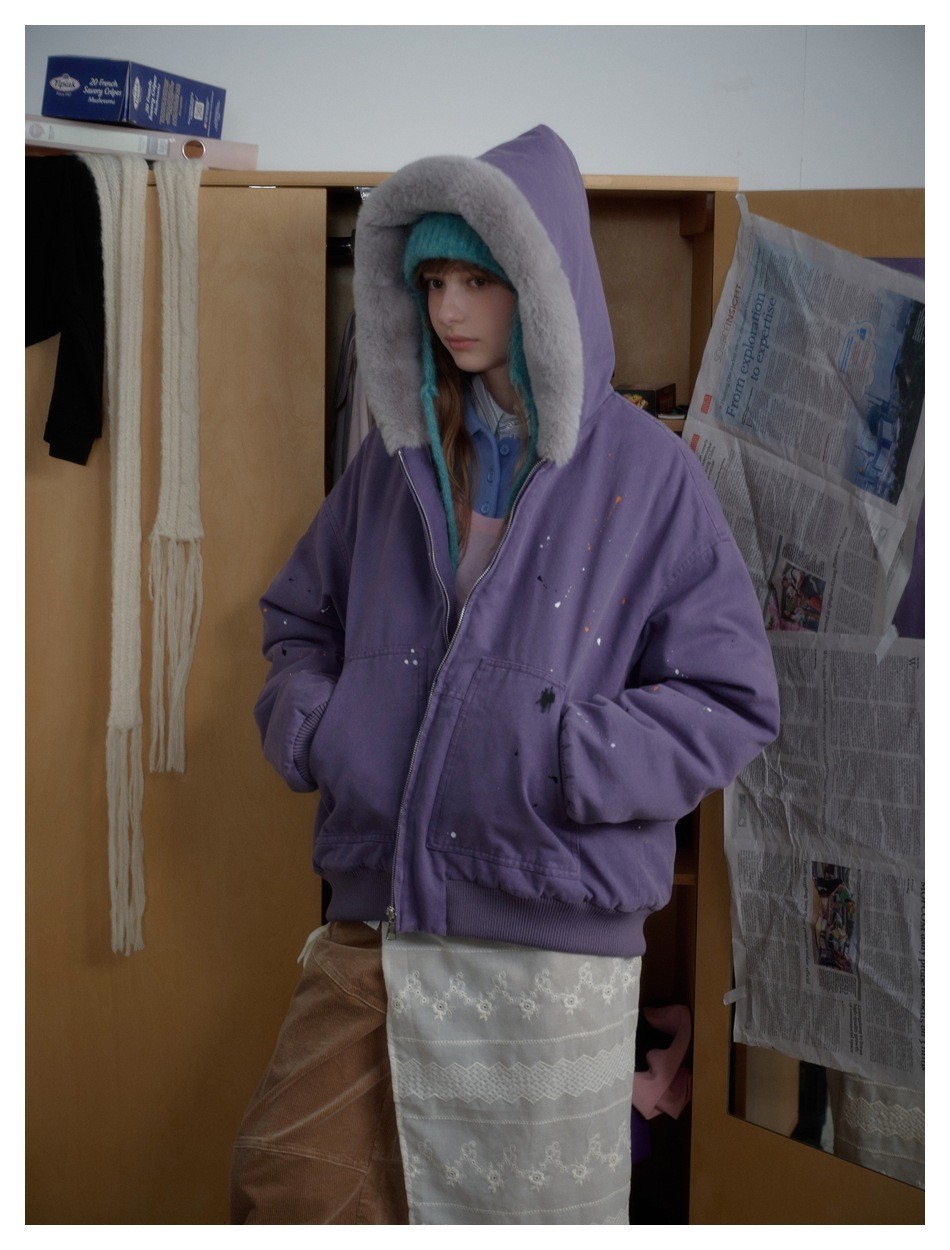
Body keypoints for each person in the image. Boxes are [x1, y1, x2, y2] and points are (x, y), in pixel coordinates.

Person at [229, 124, 780, 1225]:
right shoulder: (391, 465)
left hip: (546, 944)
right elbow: (297, 622)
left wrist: (563, 759)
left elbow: (728, 699)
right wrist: (327, 727)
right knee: (286, 1189)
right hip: (378, 924)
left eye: (477, 280)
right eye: (432, 281)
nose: (448, 310)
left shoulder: (650, 476)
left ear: (543, 286)